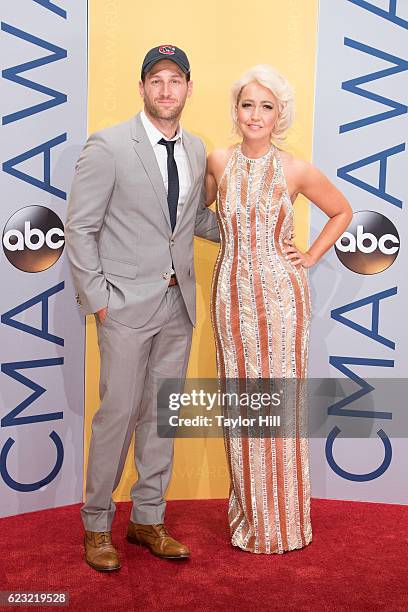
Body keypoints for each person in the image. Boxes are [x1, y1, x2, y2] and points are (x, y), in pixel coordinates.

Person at [65, 45, 219, 571]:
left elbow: (192, 220)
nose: (166, 90)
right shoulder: (108, 145)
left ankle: (148, 519)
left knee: (162, 418)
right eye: (157, 80)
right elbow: (80, 228)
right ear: (142, 87)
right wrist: (100, 303)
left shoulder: (197, 149)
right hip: (125, 308)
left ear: (189, 89)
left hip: (179, 305)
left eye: (176, 80)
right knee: (116, 416)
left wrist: (249, 224)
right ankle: (96, 525)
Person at [205, 65, 352, 554]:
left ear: (279, 115)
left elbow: (342, 211)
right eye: (248, 104)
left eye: (266, 106)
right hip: (229, 296)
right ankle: (250, 516)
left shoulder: (295, 169)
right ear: (236, 109)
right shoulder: (218, 162)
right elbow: (193, 218)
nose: (255, 115)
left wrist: (309, 256)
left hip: (283, 301)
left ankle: (286, 524)